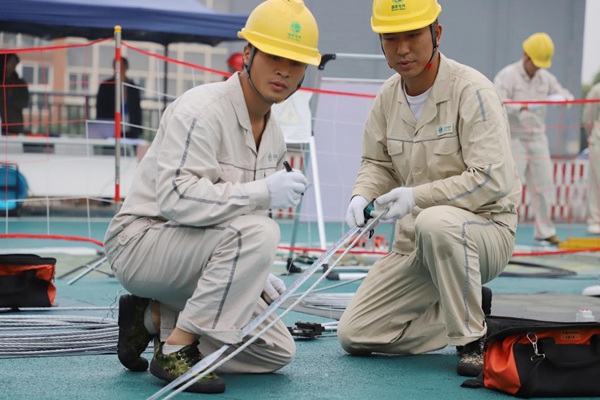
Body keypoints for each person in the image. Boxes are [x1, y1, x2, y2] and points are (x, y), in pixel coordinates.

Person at [103, 0, 320, 394]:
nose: (285, 70)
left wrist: (252, 269)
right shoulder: (201, 111)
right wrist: (261, 200)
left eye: (297, 62)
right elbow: (176, 199)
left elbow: (237, 220)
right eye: (274, 56)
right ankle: (176, 348)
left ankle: (151, 317)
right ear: (249, 54)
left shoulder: (273, 135)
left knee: (275, 351)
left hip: (199, 252)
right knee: (260, 233)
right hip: (143, 243)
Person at [337, 0, 521, 378]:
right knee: (356, 334)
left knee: (436, 223)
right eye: (391, 38)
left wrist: (416, 197)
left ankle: (473, 340)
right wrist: (361, 194)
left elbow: (491, 178)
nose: (402, 48)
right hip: (416, 243)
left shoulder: (473, 91)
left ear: (437, 34)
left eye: (413, 35)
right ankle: (464, 308)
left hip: (484, 232)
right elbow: (378, 163)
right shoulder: (387, 98)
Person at [494, 33, 574, 246]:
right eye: (535, 63)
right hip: (515, 138)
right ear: (526, 55)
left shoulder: (545, 78)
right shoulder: (508, 75)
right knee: (511, 187)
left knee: (545, 186)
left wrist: (561, 99)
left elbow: (566, 95)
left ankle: (545, 232)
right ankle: (503, 232)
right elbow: (496, 100)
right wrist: (524, 105)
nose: (538, 68)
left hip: (538, 138)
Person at [96, 57, 142, 139]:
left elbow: (137, 109)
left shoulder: (133, 87)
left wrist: (138, 129)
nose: (120, 69)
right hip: (110, 128)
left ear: (126, 68)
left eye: (122, 66)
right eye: (117, 66)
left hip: (130, 128)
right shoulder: (105, 86)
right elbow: (100, 108)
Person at [583, 81, 600, 235]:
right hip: (598, 141)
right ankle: (594, 220)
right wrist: (591, 139)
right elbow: (589, 117)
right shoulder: (597, 90)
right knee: (596, 181)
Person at [0, 53, 29, 135]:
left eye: (15, 63)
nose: (13, 66)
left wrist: (7, 100)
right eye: (11, 62)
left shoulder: (20, 83)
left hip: (14, 126)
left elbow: (24, 102)